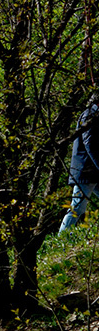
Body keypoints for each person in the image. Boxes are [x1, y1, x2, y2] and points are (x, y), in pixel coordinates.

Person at [59, 93, 99, 234]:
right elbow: (90, 145)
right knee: (77, 208)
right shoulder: (89, 116)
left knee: (77, 207)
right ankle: (61, 239)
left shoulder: (92, 114)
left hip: (91, 171)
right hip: (85, 171)